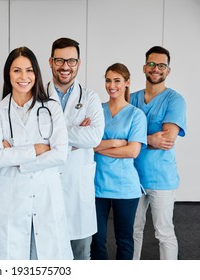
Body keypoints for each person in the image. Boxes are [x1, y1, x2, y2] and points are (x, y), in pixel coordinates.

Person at [0, 46, 73, 260]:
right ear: (8, 74)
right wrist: (37, 149)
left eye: (29, 70)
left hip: (46, 195)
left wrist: (18, 159)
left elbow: (61, 154)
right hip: (11, 198)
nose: (23, 77)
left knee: (47, 259)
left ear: (37, 73)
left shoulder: (51, 107)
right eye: (17, 71)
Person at [46, 37, 105, 259]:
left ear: (78, 63)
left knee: (80, 254)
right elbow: (30, 136)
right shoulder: (38, 96)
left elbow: (93, 137)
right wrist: (73, 133)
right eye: (60, 60)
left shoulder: (90, 98)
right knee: (46, 254)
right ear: (51, 61)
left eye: (71, 61)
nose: (65, 66)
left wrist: (53, 135)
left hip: (77, 189)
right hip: (45, 185)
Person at [131, 46, 186, 260]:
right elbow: (117, 132)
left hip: (161, 177)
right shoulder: (131, 97)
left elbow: (166, 139)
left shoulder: (175, 100)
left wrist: (134, 140)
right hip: (132, 176)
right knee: (132, 231)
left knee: (163, 232)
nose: (156, 69)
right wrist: (148, 139)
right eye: (152, 64)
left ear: (168, 71)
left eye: (161, 65)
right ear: (144, 67)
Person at [90, 63, 147, 260]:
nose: (111, 85)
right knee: (96, 239)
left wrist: (100, 146)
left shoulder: (136, 115)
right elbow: (87, 144)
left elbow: (132, 151)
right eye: (108, 80)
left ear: (127, 83)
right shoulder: (96, 110)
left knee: (124, 239)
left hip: (125, 187)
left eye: (117, 80)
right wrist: (114, 143)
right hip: (97, 185)